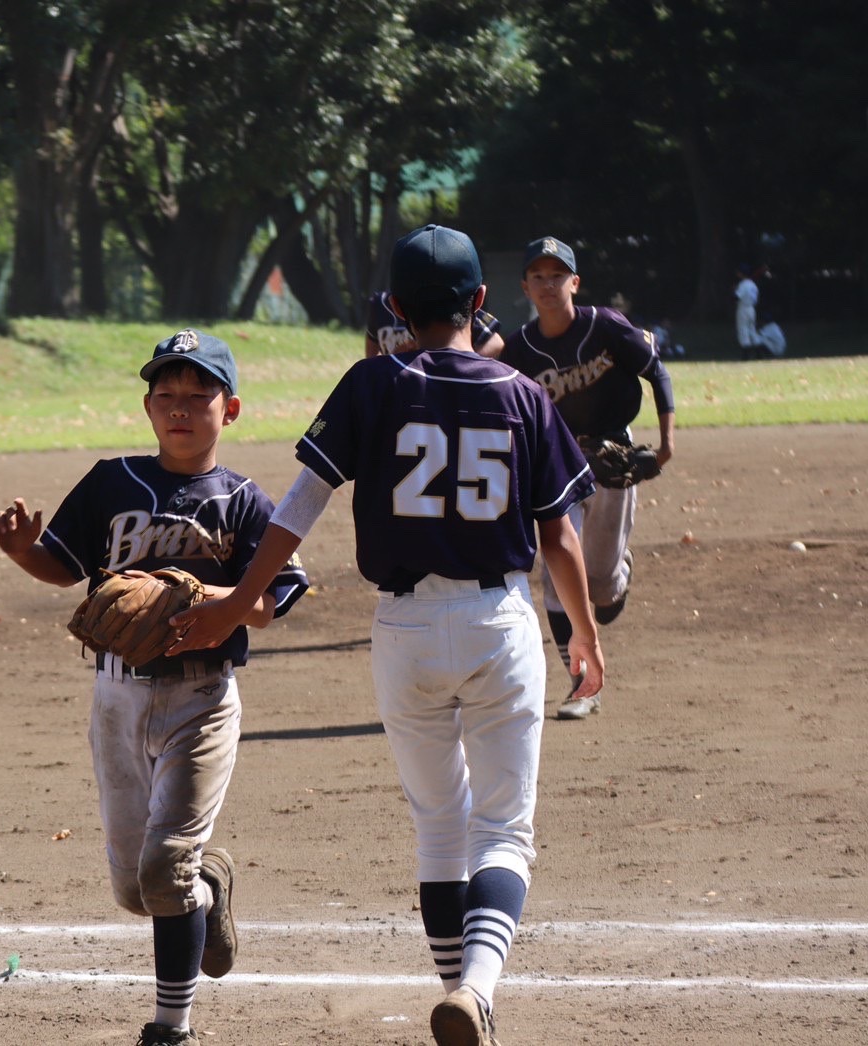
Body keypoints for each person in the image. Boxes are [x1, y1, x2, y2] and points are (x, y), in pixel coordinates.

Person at [170, 225, 604, 1046]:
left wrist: (237, 601)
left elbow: (300, 504)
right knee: (504, 830)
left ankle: (458, 993)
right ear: (481, 303)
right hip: (498, 624)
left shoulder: (373, 381)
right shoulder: (520, 392)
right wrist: (582, 635)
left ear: (397, 310)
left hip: (403, 629)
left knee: (441, 825)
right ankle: (475, 989)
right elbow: (560, 536)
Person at [0, 329, 309, 1046]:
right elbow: (64, 567)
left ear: (233, 407)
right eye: (167, 395)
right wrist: (21, 553)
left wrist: (201, 592)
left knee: (164, 868)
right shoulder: (111, 482)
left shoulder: (245, 501)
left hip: (202, 699)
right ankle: (211, 890)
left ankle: (172, 1027)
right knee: (139, 890)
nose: (181, 409)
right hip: (116, 701)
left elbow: (272, 599)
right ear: (147, 406)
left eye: (199, 396)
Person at [499, 236, 674, 719]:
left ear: (575, 282)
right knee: (558, 575)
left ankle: (620, 573)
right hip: (557, 467)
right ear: (526, 288)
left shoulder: (606, 327)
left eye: (558, 275)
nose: (548, 284)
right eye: (538, 276)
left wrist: (666, 445)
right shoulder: (519, 349)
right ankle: (582, 685)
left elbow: (656, 372)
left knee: (601, 588)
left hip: (613, 459)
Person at [365, 288, 505, 359]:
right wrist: (391, 362)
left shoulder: (449, 301)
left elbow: (496, 343)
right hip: (399, 387)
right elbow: (372, 349)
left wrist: (457, 363)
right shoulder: (381, 303)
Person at [734, 264, 761, 358]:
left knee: (743, 330)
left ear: (741, 273)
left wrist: (733, 291)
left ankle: (746, 354)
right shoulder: (753, 285)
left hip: (743, 308)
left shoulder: (743, 284)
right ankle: (759, 352)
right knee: (752, 329)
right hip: (752, 309)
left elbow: (737, 297)